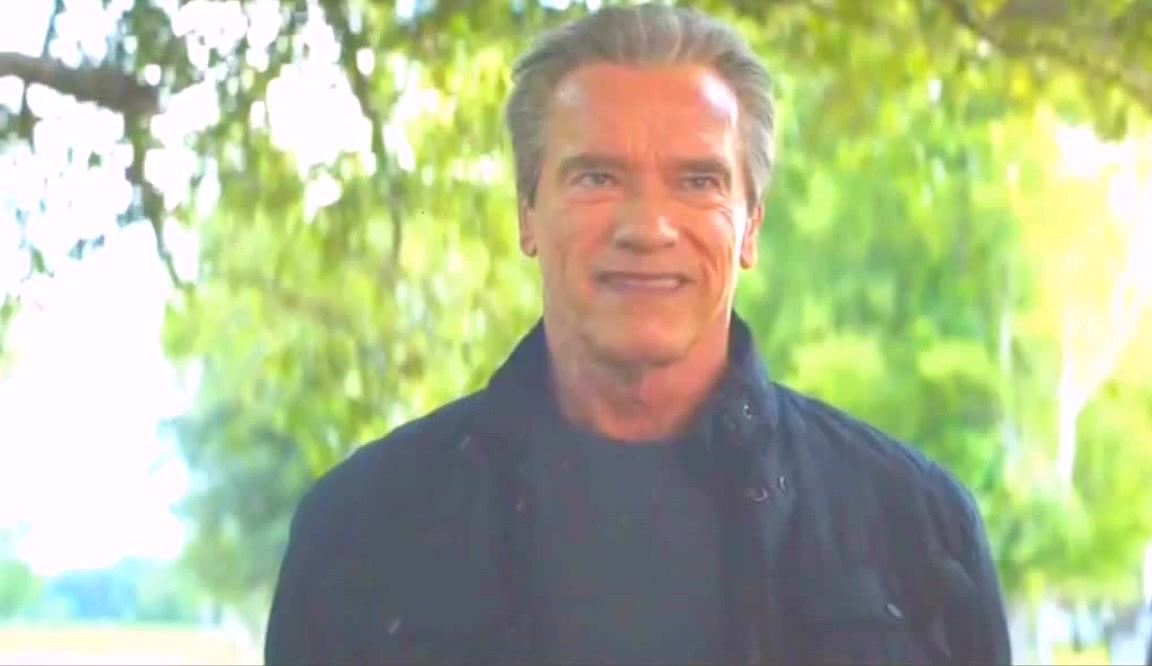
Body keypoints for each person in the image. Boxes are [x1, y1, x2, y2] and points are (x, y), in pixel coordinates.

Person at [264, 4, 1012, 665]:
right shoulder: (360, 531)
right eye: (597, 177)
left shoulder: (918, 530)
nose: (647, 227)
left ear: (751, 226)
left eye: (698, 181)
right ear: (527, 213)